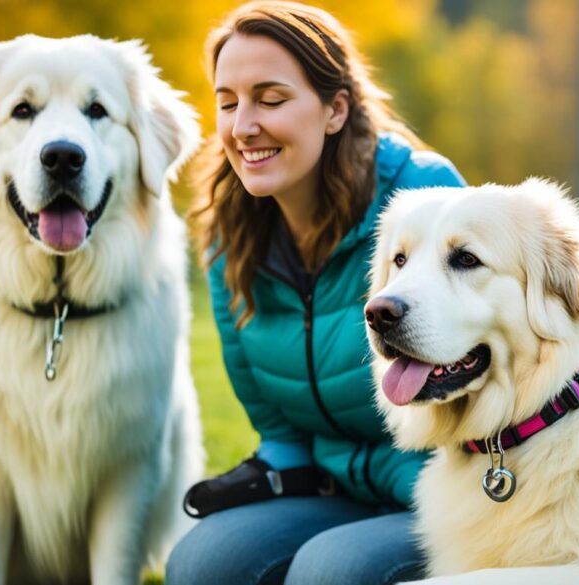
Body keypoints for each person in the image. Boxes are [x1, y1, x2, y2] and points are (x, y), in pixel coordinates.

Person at [166, 2, 465, 584]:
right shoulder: (230, 236)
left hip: (451, 483)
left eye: (270, 99)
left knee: (330, 571)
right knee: (201, 562)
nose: (243, 125)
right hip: (339, 486)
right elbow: (280, 429)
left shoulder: (425, 194)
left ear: (335, 109)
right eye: (227, 103)